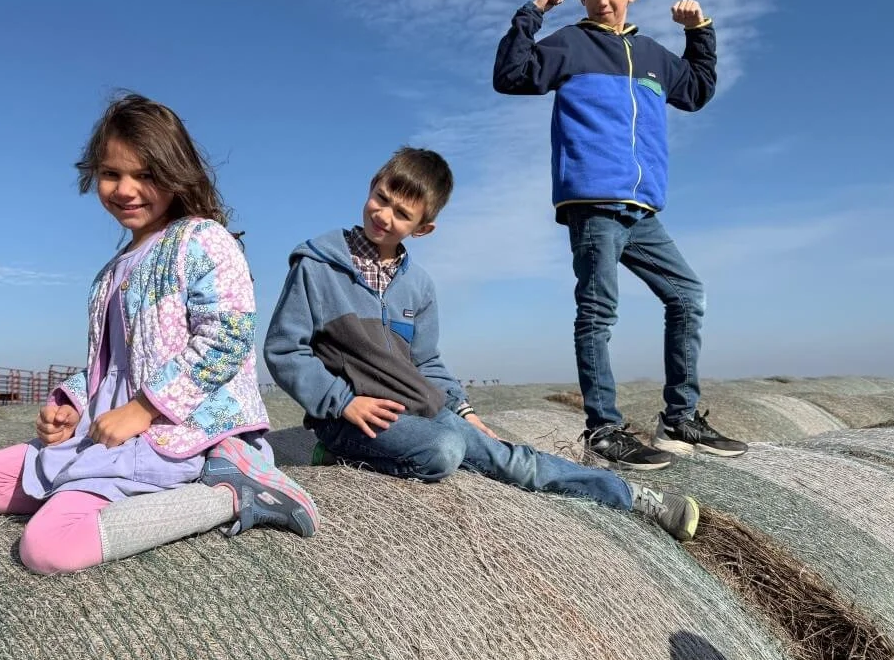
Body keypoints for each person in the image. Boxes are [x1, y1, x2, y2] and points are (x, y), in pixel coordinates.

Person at [264, 147, 699, 541]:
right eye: (381, 198)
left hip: (418, 408)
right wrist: (342, 402)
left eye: (402, 213)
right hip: (352, 418)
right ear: (371, 188)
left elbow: (427, 360)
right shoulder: (317, 268)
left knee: (514, 461)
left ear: (423, 228)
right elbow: (286, 349)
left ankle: (631, 495)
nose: (384, 215)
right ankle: (334, 450)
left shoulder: (418, 285)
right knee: (444, 451)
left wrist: (463, 408)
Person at [0, 93, 318, 575]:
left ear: (177, 173)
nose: (126, 189)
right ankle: (95, 482)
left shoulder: (201, 239)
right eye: (112, 174)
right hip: (114, 426)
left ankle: (230, 493)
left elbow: (228, 337)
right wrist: (70, 404)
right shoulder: (112, 270)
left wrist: (143, 409)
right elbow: (113, 362)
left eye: (146, 174)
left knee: (46, 549)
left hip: (180, 429)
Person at [492, 0, 748, 469]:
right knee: (600, 311)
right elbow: (511, 76)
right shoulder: (569, 44)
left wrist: (699, 32)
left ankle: (680, 417)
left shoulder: (654, 56)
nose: (602, 0)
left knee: (687, 295)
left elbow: (697, 91)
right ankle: (603, 428)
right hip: (592, 202)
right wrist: (531, 14)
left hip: (643, 211)